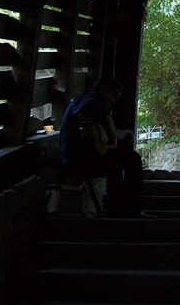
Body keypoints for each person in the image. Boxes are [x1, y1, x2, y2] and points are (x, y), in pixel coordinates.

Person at [58, 76, 144, 217]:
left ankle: (118, 208)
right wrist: (110, 131)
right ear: (103, 89)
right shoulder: (86, 100)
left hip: (84, 157)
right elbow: (89, 108)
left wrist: (116, 137)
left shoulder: (91, 103)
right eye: (113, 95)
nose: (114, 100)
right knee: (133, 159)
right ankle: (131, 210)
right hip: (76, 160)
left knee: (119, 159)